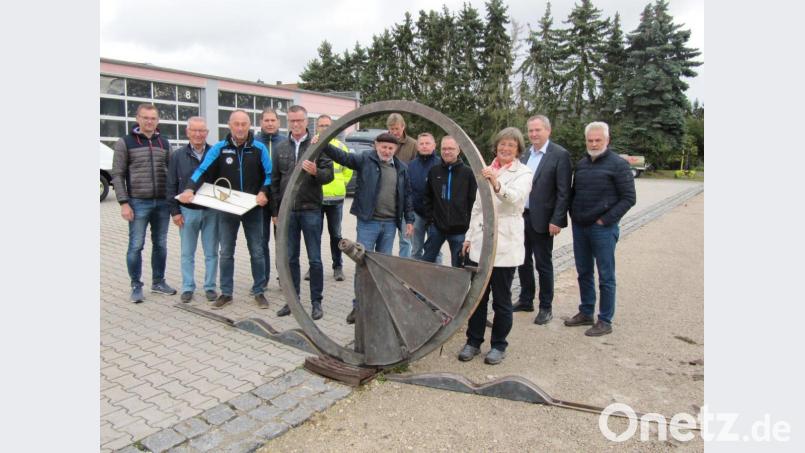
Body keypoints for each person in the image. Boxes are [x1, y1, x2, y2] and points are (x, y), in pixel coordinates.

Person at [178, 110, 272, 310]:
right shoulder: (220, 149)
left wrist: (264, 192)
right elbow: (202, 170)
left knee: (257, 251)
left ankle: (259, 291)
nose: (239, 128)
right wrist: (189, 188)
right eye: (236, 124)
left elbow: (270, 175)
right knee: (226, 252)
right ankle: (226, 293)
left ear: (249, 126)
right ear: (229, 125)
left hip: (253, 208)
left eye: (243, 124)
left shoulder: (259, 148)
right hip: (227, 209)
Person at [321, 132, 414, 324]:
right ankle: (359, 307)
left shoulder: (402, 168)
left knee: (381, 268)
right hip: (368, 223)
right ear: (376, 145)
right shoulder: (365, 159)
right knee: (362, 265)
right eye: (383, 147)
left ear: (395, 149)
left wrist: (410, 220)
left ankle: (378, 306)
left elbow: (407, 196)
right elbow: (343, 157)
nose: (387, 151)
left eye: (390, 148)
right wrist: (324, 144)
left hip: (389, 226)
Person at [459, 127, 533, 365]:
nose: (505, 149)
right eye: (502, 144)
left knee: (502, 301)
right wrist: (469, 237)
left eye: (511, 145)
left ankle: (498, 345)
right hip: (481, 244)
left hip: (505, 245)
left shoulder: (524, 173)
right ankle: (473, 342)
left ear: (518, 149)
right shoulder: (486, 170)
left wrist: (497, 185)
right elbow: (478, 208)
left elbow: (515, 199)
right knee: (477, 297)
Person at [565, 121, 636, 336]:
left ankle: (605, 319)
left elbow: (629, 198)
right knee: (583, 271)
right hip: (581, 227)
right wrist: (573, 214)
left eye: (598, 140)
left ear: (607, 140)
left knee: (606, 275)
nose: (594, 144)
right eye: (590, 140)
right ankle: (586, 311)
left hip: (603, 229)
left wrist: (605, 221)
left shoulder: (618, 165)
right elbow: (574, 192)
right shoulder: (582, 164)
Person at [271, 105, 334, 321]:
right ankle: (292, 301)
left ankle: (316, 302)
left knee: (315, 258)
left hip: (311, 210)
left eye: (299, 120)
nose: (296, 124)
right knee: (290, 259)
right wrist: (275, 211)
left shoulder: (318, 145)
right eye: (292, 121)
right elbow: (275, 182)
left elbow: (329, 175)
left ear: (307, 121)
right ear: (288, 122)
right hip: (288, 212)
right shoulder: (280, 148)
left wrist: (316, 172)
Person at [111, 104, 177, 303]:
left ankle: (158, 282)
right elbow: (117, 174)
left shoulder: (164, 143)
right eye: (145, 117)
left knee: (160, 244)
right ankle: (136, 285)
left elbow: (173, 173)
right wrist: (124, 202)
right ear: (137, 119)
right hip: (138, 202)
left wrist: (174, 200)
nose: (149, 121)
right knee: (136, 245)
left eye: (153, 118)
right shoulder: (126, 142)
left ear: (157, 121)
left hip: (162, 203)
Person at [512, 115, 572, 325]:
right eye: (531, 131)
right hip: (522, 217)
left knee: (543, 264)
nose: (534, 134)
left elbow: (564, 192)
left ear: (548, 131)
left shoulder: (559, 155)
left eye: (538, 130)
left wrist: (557, 220)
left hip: (544, 220)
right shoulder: (526, 154)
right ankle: (526, 299)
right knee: (523, 260)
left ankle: (546, 307)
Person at [166, 117, 219, 303]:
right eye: (194, 130)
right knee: (187, 253)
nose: (198, 134)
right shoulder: (178, 156)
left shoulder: (215, 153)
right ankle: (188, 287)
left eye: (201, 130)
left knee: (211, 252)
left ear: (207, 132)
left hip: (211, 212)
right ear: (187, 132)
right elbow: (171, 184)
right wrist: (175, 212)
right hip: (187, 212)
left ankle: (210, 287)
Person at [421, 136, 476, 266]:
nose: (447, 152)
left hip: (459, 230)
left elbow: (473, 201)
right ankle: (422, 286)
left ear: (458, 150)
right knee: (426, 261)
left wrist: (468, 224)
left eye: (451, 148)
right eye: (444, 148)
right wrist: (430, 220)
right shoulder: (434, 171)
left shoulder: (468, 173)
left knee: (458, 266)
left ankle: (457, 287)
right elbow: (427, 197)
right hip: (437, 228)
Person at [312, 114, 351, 282]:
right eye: (321, 125)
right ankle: (314, 268)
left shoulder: (341, 147)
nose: (324, 128)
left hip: (335, 200)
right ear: (316, 128)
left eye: (328, 125)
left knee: (336, 234)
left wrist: (341, 185)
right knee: (314, 235)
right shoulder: (313, 146)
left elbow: (348, 170)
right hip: (316, 199)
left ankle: (338, 267)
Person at [255, 108, 285, 288]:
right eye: (266, 120)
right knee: (261, 242)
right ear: (261, 122)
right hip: (260, 200)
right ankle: (263, 279)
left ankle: (283, 278)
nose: (270, 123)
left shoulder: (284, 142)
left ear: (278, 122)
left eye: (273, 120)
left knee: (281, 242)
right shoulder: (255, 142)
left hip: (280, 200)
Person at [407, 132, 442, 261]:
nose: (424, 146)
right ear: (417, 146)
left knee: (436, 251)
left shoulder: (441, 164)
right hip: (417, 214)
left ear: (434, 145)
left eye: (427, 143)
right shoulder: (411, 165)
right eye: (421, 143)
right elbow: (408, 191)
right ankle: (415, 279)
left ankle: (436, 279)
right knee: (416, 250)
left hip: (436, 216)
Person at [386, 113, 416, 258]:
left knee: (405, 238)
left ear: (403, 127)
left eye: (397, 128)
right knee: (386, 238)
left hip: (404, 197)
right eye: (391, 129)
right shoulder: (382, 141)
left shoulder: (413, 144)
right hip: (387, 197)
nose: (394, 132)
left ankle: (404, 265)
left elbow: (416, 168)